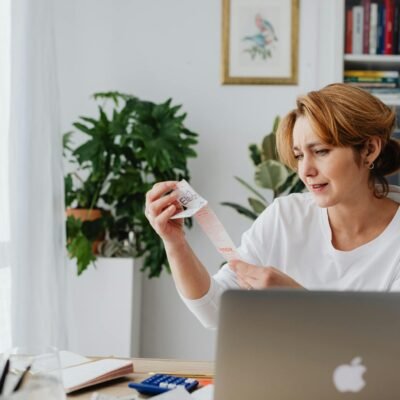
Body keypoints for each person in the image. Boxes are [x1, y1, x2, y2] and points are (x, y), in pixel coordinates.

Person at [144, 83, 400, 329]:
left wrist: (298, 302)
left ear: (369, 149)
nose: (305, 171)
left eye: (321, 151)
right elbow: (216, 312)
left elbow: (389, 342)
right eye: (299, 155)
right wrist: (174, 243)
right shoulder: (285, 216)